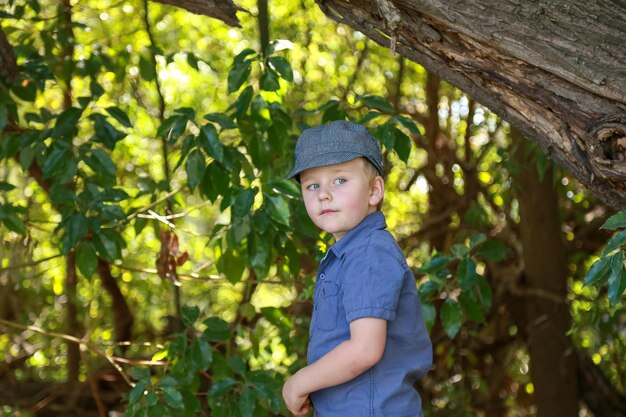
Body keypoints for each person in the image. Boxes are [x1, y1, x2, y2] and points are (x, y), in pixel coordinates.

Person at [282, 120, 432, 417]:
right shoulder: (350, 253)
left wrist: (300, 382)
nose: (324, 194)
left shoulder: (369, 254)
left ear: (374, 191)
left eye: (339, 180)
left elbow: (365, 349)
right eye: (312, 185)